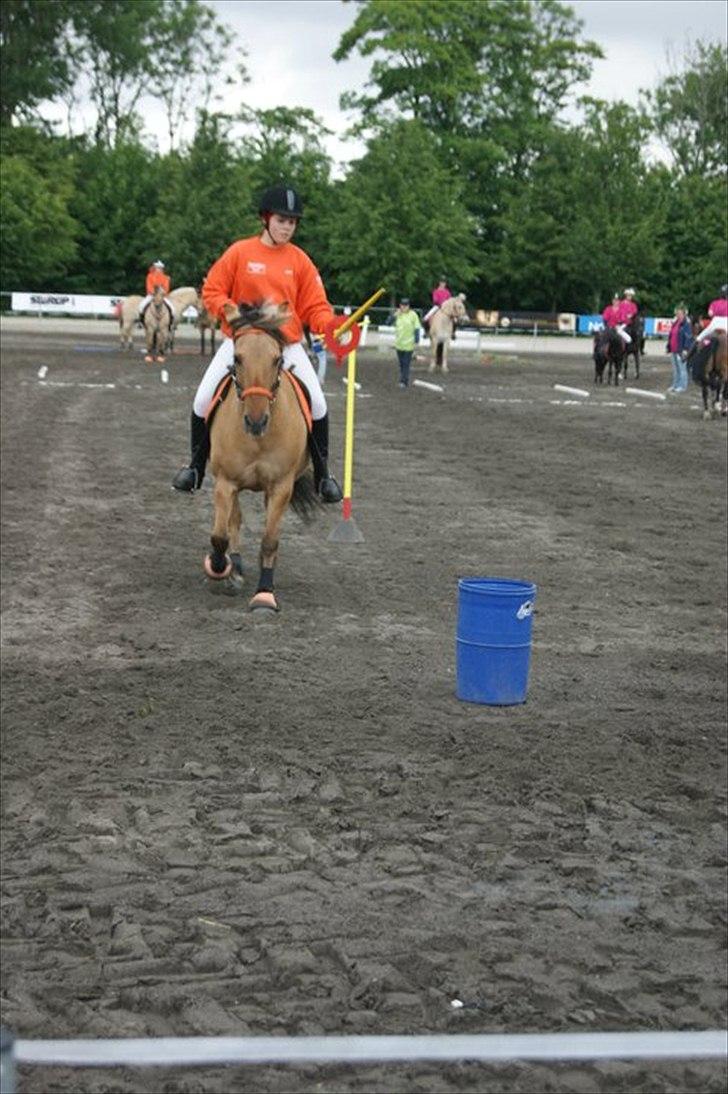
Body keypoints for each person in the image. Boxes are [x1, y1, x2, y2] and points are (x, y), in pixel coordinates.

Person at [171, 185, 342, 503]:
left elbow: (316, 306)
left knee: (318, 405)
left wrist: (333, 326)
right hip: (241, 343)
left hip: (286, 347)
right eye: (281, 220)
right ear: (266, 219)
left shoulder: (300, 261)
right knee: (202, 399)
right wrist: (229, 311)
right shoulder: (239, 252)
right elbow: (212, 290)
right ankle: (194, 467)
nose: (287, 227)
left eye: (292, 222)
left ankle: (322, 476)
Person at [686, 286, 728, 375]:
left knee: (699, 338)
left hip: (715, 322)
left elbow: (710, 314)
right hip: (726, 322)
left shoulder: (714, 303)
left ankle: (688, 357)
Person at [393, 298, 422, 388]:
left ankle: (404, 381)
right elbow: (388, 322)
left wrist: (417, 341)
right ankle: (403, 378)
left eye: (405, 305)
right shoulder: (398, 314)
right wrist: (394, 316)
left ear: (409, 306)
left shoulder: (413, 315)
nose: (403, 307)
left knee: (406, 364)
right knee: (401, 364)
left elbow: (417, 328)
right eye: (402, 305)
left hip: (409, 344)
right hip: (399, 344)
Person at [666, 305, 693, 393]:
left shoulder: (686, 324)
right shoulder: (675, 323)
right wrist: (668, 346)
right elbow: (671, 335)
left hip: (681, 350)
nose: (678, 315)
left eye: (680, 313)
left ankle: (682, 386)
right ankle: (675, 384)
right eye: (677, 313)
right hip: (674, 349)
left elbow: (688, 337)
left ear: (684, 314)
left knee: (682, 368)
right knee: (675, 369)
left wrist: (685, 349)